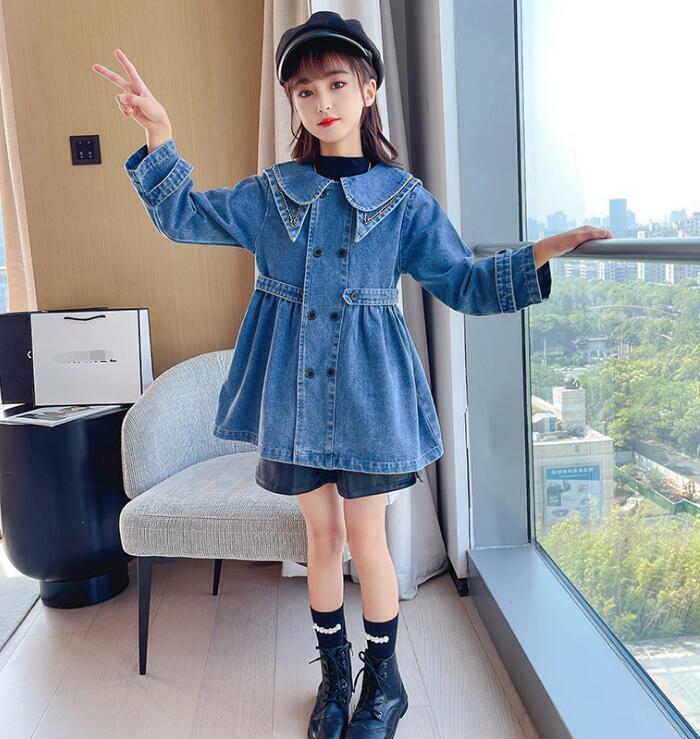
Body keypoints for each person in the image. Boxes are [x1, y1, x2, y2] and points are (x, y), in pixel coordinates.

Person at [92, 10, 612, 738]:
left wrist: (540, 254)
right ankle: (335, 681)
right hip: (293, 397)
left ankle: (384, 683)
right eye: (305, 91)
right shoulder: (271, 194)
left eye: (337, 83)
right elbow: (182, 217)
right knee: (321, 540)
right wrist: (159, 133)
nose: (323, 102)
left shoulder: (405, 201)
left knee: (368, 542)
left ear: (369, 89)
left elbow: (463, 283)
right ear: (294, 104)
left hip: (371, 394)